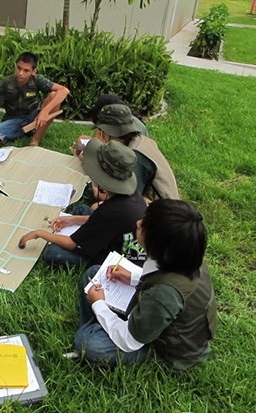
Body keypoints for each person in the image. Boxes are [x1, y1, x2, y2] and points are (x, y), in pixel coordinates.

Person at [75, 199, 217, 370]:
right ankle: (102, 326)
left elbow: (130, 340)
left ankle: (96, 329)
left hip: (163, 347)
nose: (138, 223)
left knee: (88, 345)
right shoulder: (186, 255)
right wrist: (132, 277)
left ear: (158, 242)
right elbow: (159, 275)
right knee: (95, 273)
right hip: (155, 321)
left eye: (145, 225)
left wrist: (99, 304)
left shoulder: (165, 294)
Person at [19, 138, 147, 269]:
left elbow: (71, 243)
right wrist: (72, 220)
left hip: (120, 258)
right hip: (117, 235)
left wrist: (39, 233)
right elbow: (106, 221)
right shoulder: (129, 195)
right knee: (81, 209)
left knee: (53, 253)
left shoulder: (110, 210)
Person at [84, 103, 179, 203]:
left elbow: (128, 201)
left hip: (160, 211)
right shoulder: (138, 141)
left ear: (108, 132)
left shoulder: (135, 157)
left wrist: (99, 195)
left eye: (101, 130)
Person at [0, 52, 70, 149]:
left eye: (26, 70)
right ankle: (10, 135)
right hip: (13, 120)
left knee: (53, 95)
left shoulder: (37, 80)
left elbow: (64, 91)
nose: (20, 73)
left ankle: (35, 139)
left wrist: (45, 111)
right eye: (19, 68)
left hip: (34, 117)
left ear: (33, 71)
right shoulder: (5, 83)